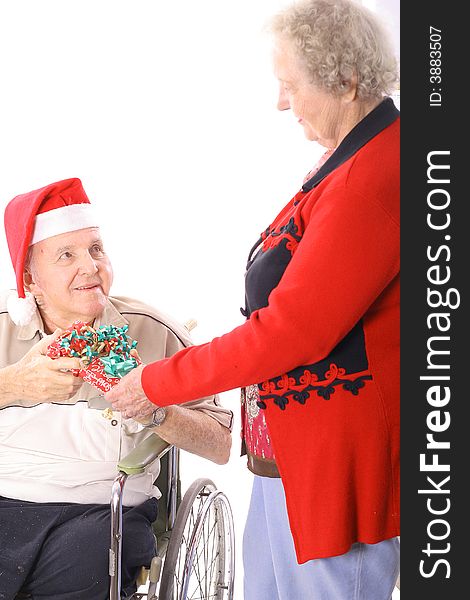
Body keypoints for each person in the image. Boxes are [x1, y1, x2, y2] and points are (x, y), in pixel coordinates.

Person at [106, 0, 400, 597]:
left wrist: (157, 382)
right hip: (288, 455)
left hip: (335, 466)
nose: (281, 102)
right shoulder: (346, 163)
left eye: (290, 85)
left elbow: (291, 330)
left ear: (345, 80)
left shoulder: (373, 176)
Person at [0, 177, 232, 600]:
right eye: (66, 255)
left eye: (96, 249)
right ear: (30, 281)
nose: (90, 267)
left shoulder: (153, 331)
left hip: (103, 509)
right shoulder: (1, 325)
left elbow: (219, 444)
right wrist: (12, 384)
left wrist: (156, 409)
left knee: (86, 564)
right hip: (5, 497)